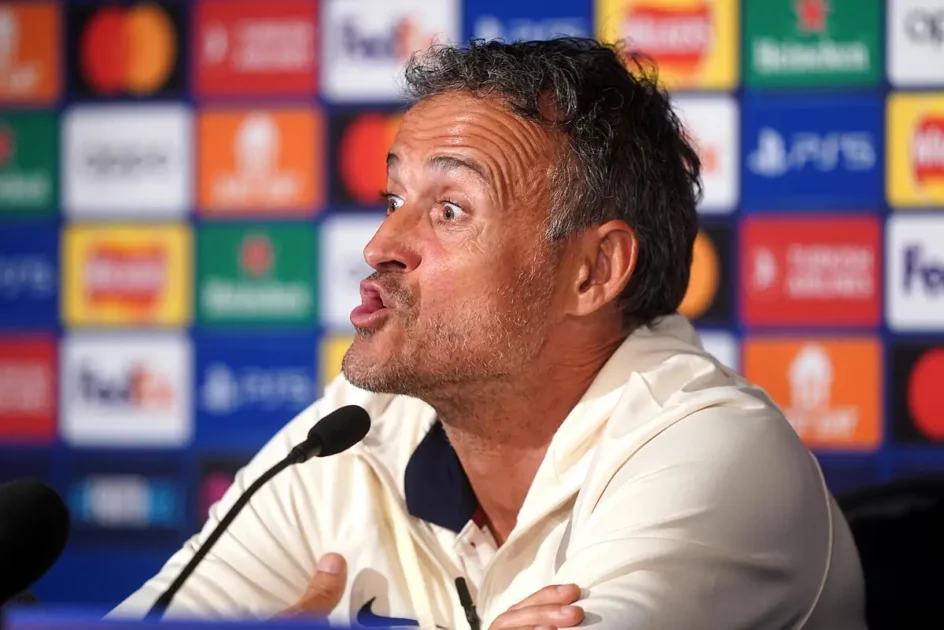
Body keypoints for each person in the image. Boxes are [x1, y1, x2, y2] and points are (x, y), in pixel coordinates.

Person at [111, 38, 866, 629]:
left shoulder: (711, 449)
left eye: (450, 210)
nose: (380, 245)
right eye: (393, 198)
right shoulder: (352, 433)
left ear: (593, 271)